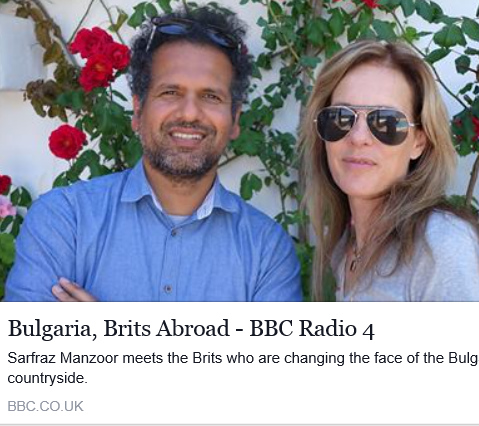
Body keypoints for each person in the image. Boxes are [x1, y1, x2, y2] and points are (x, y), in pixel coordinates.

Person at [5, 5, 301, 302]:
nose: (189, 113)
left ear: (235, 119)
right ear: (138, 111)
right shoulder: (64, 220)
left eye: (211, 96)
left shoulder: (267, 251)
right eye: (170, 92)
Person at [300, 40, 479, 302]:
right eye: (340, 117)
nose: (358, 137)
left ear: (419, 141)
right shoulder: (345, 248)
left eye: (386, 121)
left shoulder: (442, 247)